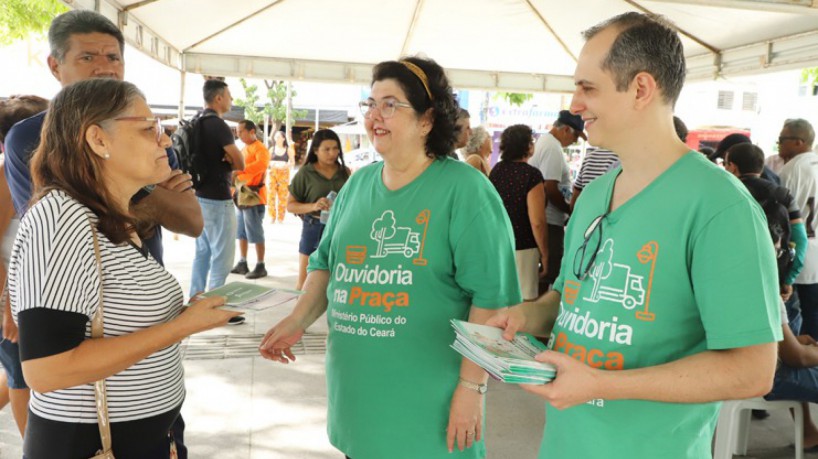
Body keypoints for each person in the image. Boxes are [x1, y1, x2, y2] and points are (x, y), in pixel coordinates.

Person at [488, 12, 780, 458]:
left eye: (588, 88)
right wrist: (525, 318)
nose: (575, 103)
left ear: (641, 88)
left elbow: (752, 370)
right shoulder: (594, 194)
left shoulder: (721, 207)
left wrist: (603, 385)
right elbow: (568, 294)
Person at [259, 56, 522, 459]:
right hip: (357, 404)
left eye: (390, 104)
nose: (374, 116)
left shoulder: (467, 192)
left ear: (427, 119)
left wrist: (472, 389)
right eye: (371, 103)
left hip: (428, 411)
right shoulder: (358, 184)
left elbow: (491, 301)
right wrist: (297, 320)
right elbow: (325, 264)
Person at [8, 78, 240, 459]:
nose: (165, 140)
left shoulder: (108, 217)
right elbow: (46, 370)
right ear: (98, 140)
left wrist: (189, 317)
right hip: (92, 444)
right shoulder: (60, 219)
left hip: (135, 438)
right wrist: (180, 327)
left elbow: (120, 323)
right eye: (149, 129)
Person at [0, 95, 49, 437]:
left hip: (27, 296)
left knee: (20, 371)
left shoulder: (38, 173)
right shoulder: (6, 178)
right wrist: (10, 309)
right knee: (21, 379)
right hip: (10, 300)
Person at [189, 79, 245, 300]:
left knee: (202, 253)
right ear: (219, 98)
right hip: (218, 199)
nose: (231, 100)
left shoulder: (197, 122)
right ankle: (214, 304)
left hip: (198, 196)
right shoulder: (218, 125)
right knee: (222, 256)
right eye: (229, 96)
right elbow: (240, 163)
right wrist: (228, 162)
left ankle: (196, 298)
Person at [528, 110, 586, 289]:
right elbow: (550, 188)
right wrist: (568, 209)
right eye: (575, 135)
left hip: (550, 219)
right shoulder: (552, 147)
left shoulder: (548, 143)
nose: (575, 141)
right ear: (566, 129)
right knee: (549, 275)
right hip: (550, 220)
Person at [287, 129, 350, 291]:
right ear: (316, 151)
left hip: (339, 228)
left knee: (337, 277)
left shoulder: (345, 172)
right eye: (326, 149)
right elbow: (290, 205)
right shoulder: (306, 173)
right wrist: (314, 206)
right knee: (305, 280)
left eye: (335, 148)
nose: (332, 153)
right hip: (313, 226)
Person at [489, 124, 547, 301]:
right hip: (524, 247)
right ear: (527, 146)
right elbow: (537, 221)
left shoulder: (497, 171)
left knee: (500, 301)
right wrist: (545, 254)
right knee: (523, 303)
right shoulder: (531, 175)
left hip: (497, 245)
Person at [778, 119, 818, 339]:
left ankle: (796, 369)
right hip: (816, 258)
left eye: (782, 140)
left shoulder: (792, 170)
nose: (779, 146)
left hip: (796, 257)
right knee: (813, 317)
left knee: (790, 320)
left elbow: (782, 218)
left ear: (798, 142)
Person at [231, 119, 271, 280]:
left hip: (254, 195)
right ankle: (243, 262)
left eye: (241, 131)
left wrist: (239, 170)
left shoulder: (261, 148)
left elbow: (261, 165)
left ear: (251, 131)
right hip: (241, 192)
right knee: (241, 231)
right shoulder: (244, 148)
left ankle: (260, 264)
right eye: (237, 132)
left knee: (254, 231)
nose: (238, 134)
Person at [268, 130, 295, 223]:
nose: (277, 139)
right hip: (273, 173)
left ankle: (280, 217)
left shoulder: (288, 149)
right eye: (275, 137)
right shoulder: (271, 149)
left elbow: (292, 162)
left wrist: (286, 165)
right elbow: (267, 161)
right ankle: (272, 216)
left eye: (279, 137)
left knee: (282, 196)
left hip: (284, 173)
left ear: (283, 138)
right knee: (271, 194)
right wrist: (272, 164)